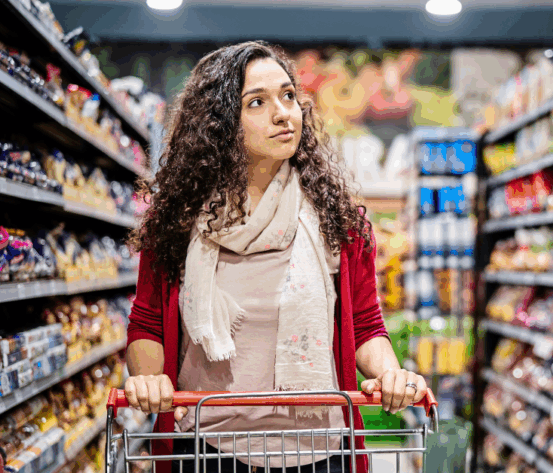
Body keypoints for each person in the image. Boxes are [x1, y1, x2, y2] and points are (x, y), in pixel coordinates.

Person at [124, 41, 427, 473]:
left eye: (288, 96)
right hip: (208, 448)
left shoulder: (338, 222)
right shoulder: (177, 224)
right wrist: (150, 378)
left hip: (321, 450)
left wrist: (391, 372)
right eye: (257, 102)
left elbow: (365, 325)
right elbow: (149, 322)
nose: (284, 112)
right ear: (221, 123)